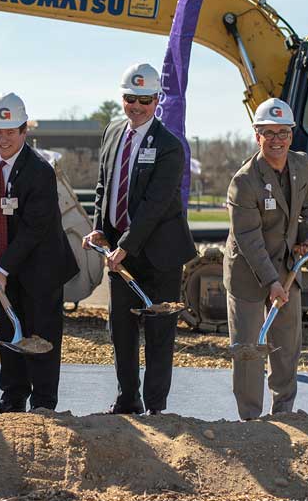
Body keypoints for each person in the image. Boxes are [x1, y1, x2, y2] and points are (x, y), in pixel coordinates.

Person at [82, 63, 196, 416]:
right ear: (122, 98)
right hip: (120, 251)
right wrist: (100, 229)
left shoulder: (170, 146)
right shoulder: (112, 133)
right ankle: (128, 399)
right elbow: (103, 187)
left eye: (145, 100)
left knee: (159, 333)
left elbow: (155, 205)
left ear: (156, 100)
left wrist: (124, 246)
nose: (137, 106)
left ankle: (156, 408)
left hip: (160, 254)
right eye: (130, 98)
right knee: (121, 329)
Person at [0, 92, 79, 413]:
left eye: (10, 132)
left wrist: (2, 268)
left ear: (24, 132)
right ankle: (13, 396)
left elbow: (34, 229)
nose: (3, 139)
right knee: (8, 329)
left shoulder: (39, 170)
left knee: (41, 333)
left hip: (41, 267)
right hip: (5, 263)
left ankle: (44, 402)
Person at [224, 97, 308, 420]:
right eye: (269, 133)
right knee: (249, 349)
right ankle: (250, 419)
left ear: (291, 135)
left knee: (287, 345)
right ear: (257, 136)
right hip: (248, 273)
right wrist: (272, 282)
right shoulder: (243, 181)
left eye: (283, 132)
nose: (277, 140)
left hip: (287, 269)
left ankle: (283, 413)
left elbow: (307, 209)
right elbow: (249, 240)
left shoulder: (302, 164)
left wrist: (307, 238)